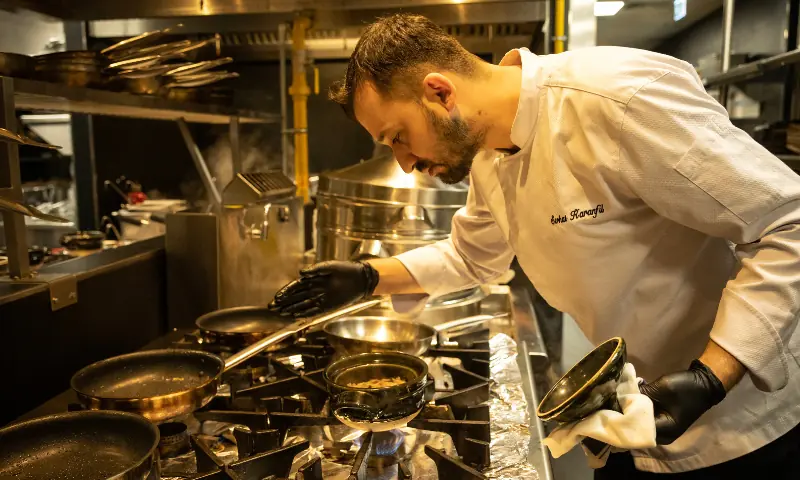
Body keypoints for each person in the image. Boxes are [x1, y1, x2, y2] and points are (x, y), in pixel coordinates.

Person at [269, 13, 800, 477]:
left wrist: (711, 377)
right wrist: (367, 276)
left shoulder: (617, 99)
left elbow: (787, 222)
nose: (405, 163)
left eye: (397, 137)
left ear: (439, 92)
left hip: (743, 424)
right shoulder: (487, 151)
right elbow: (471, 256)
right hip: (633, 414)